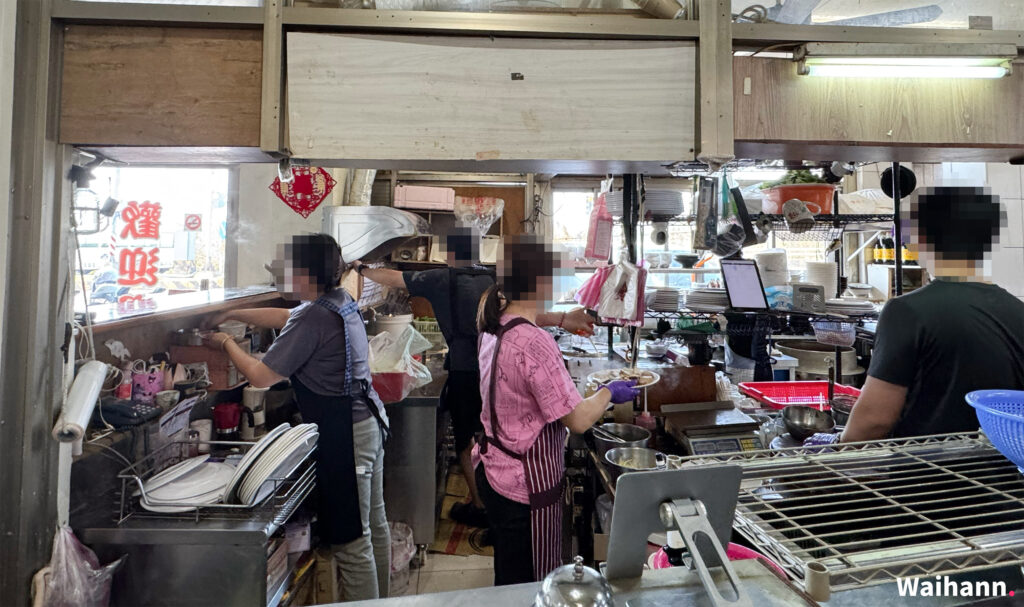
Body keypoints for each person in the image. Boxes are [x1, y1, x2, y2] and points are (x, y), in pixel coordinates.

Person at [351, 226, 595, 530]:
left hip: (466, 368)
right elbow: (520, 314)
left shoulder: (441, 278)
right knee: (492, 433)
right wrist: (563, 319)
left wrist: (360, 268)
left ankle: (480, 505)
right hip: (495, 364)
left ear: (449, 254)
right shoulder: (490, 279)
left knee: (467, 438)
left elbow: (393, 278)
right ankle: (496, 493)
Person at [206, 234, 390, 601]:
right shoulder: (338, 301)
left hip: (347, 437)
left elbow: (261, 377)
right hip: (368, 423)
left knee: (351, 543)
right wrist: (234, 313)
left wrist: (225, 342)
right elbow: (286, 317)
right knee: (374, 526)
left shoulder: (314, 314)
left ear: (304, 273)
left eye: (286, 267)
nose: (280, 273)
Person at [472, 235, 640, 585]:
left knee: (508, 576)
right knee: (529, 585)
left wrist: (561, 319)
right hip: (524, 485)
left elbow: (528, 322)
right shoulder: (536, 343)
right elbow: (578, 420)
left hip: (492, 470)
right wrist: (609, 392)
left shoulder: (492, 324)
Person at [836, 186, 1024, 443]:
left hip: (928, 467)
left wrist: (837, 452)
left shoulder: (906, 311)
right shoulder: (1017, 311)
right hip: (1003, 466)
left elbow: (874, 420)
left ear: (919, 237)